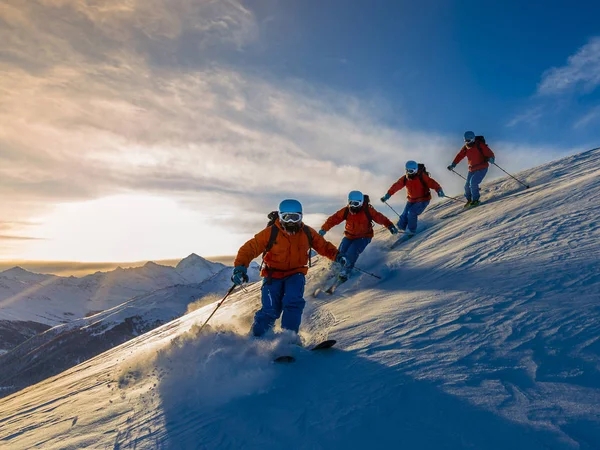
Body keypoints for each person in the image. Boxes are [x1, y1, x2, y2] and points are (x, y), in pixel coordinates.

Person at [232, 199, 346, 337]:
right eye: (287, 217)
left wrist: (337, 256)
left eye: (295, 217)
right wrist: (240, 268)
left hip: (295, 274)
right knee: (270, 309)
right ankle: (257, 337)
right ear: (280, 217)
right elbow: (249, 249)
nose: (291, 222)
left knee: (293, 303)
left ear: (301, 217)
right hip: (272, 275)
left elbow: (323, 246)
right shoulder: (270, 233)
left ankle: (287, 339)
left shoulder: (307, 233)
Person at [319, 191, 398, 282]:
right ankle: (335, 268)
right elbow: (333, 219)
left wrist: (390, 226)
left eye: (356, 204)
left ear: (360, 203)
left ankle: (346, 270)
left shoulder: (367, 210)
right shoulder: (346, 211)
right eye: (350, 203)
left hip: (363, 237)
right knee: (341, 251)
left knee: (352, 251)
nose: (353, 206)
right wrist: (323, 229)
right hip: (349, 236)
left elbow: (380, 218)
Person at [380, 161, 444, 236]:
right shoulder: (405, 179)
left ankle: (411, 231)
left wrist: (439, 190)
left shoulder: (422, 177)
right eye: (407, 170)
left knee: (411, 212)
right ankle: (400, 232)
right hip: (411, 200)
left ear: (416, 170)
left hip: (423, 200)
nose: (409, 173)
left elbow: (432, 183)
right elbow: (396, 186)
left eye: (411, 171)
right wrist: (387, 195)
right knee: (403, 216)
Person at [447, 131, 496, 207]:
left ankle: (475, 200)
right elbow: (459, 156)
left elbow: (489, 153)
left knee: (473, 182)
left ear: (472, 139)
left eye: (468, 141)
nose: (467, 142)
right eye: (465, 141)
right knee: (466, 186)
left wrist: (491, 158)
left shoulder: (479, 145)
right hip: (472, 169)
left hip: (482, 168)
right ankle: (469, 200)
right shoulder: (466, 148)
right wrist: (453, 165)